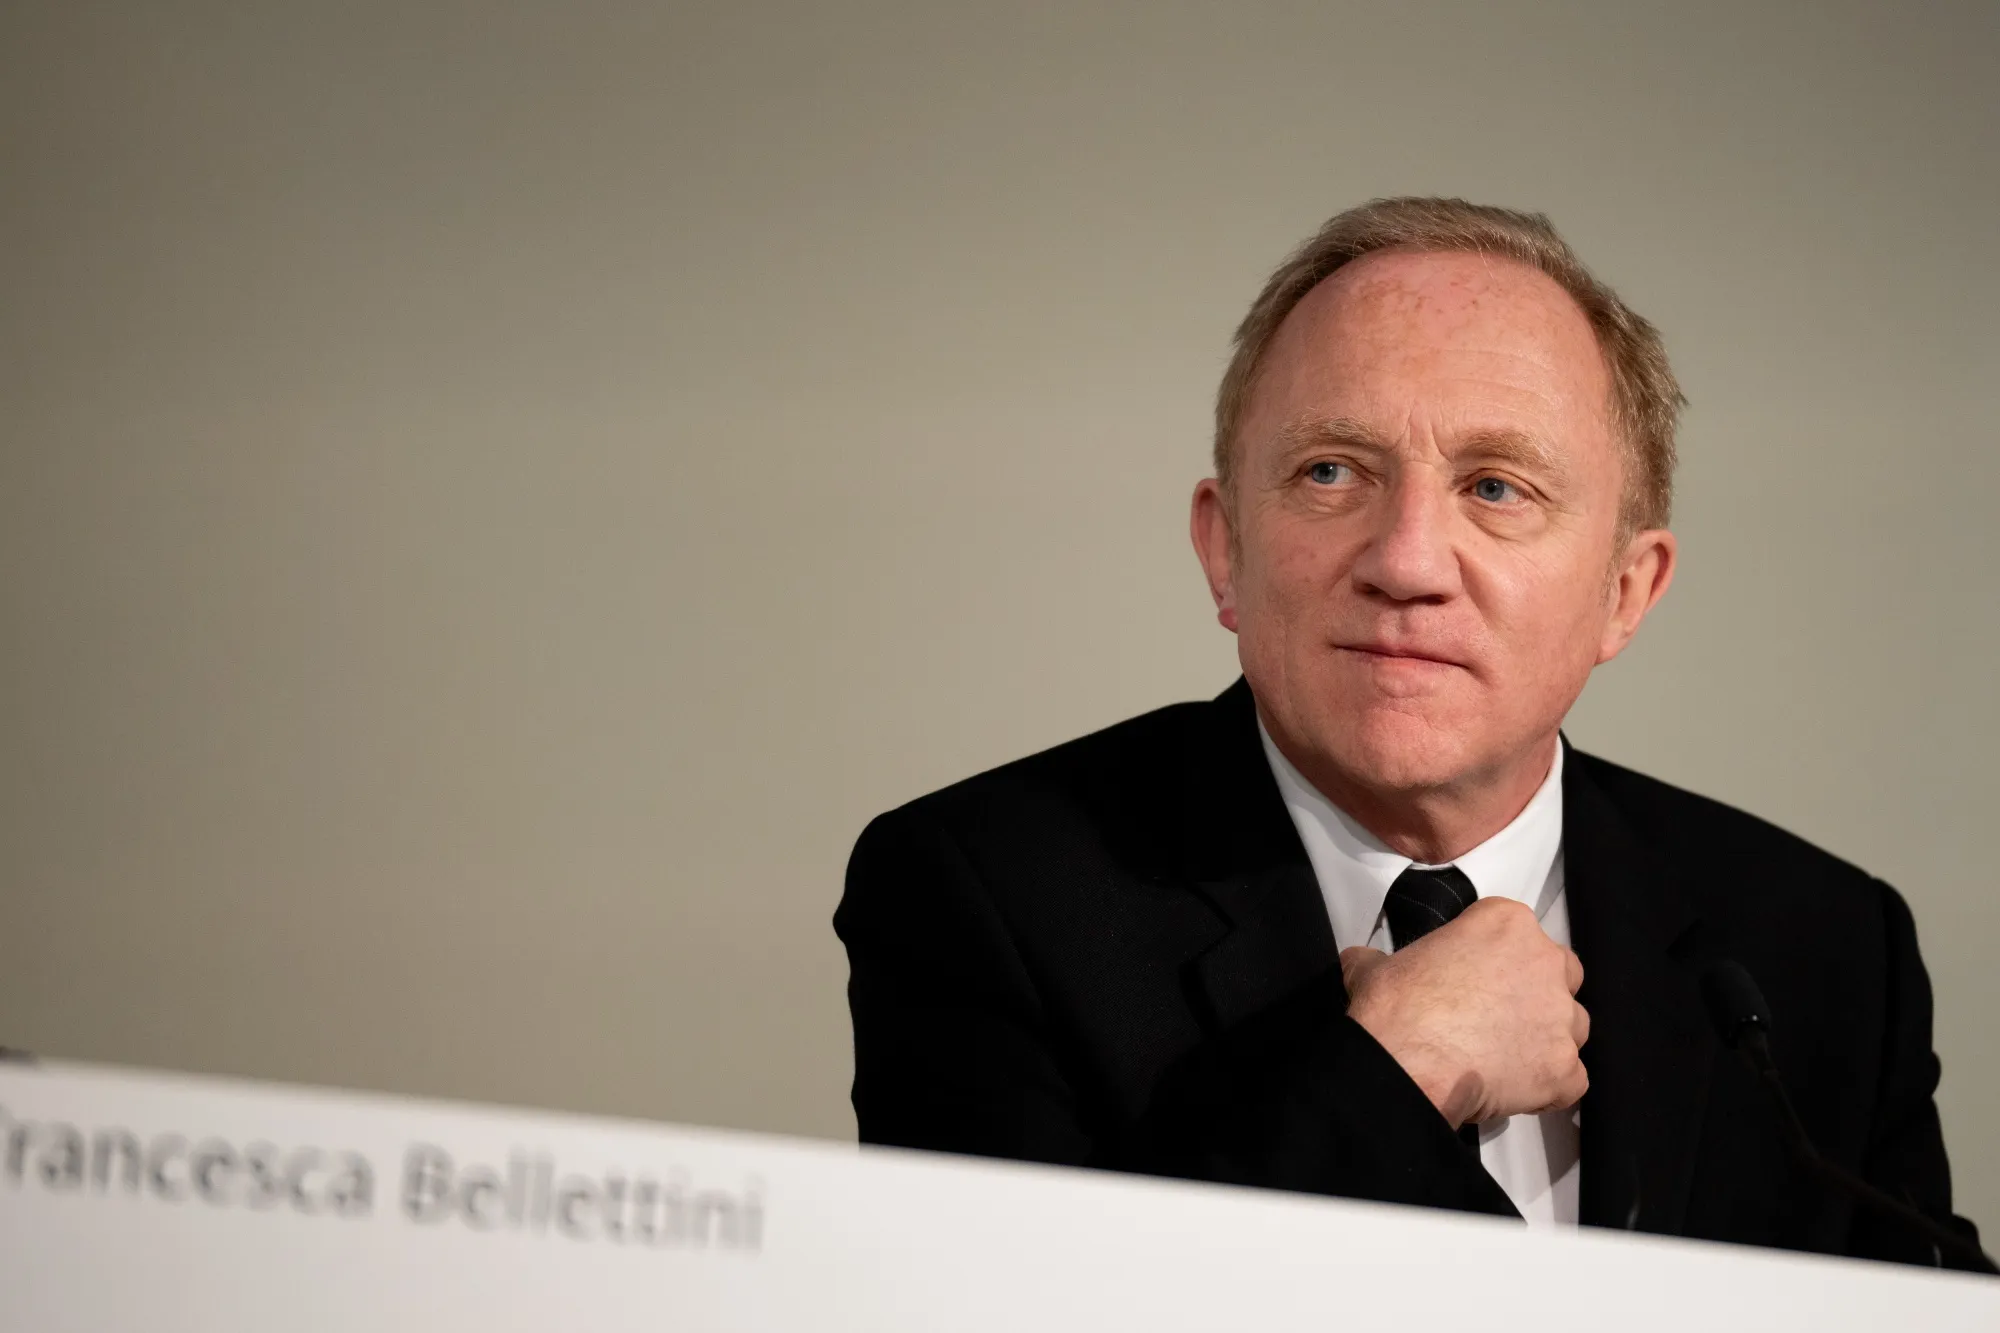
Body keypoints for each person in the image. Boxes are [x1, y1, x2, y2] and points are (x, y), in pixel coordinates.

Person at [833, 197, 1981, 1265]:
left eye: (1495, 487)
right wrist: (1397, 1068)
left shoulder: (1824, 946)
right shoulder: (987, 894)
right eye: (1331, 471)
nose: (1406, 561)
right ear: (1224, 549)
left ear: (1624, 592)